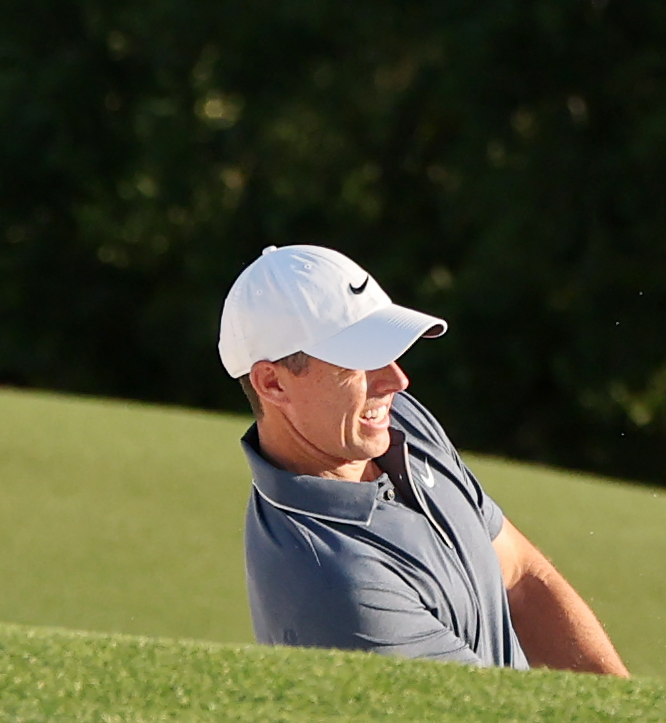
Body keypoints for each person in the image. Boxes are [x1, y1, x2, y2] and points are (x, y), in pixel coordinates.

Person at [218, 241, 627, 673]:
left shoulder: (395, 422)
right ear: (272, 383)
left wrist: (628, 714)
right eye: (359, 360)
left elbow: (521, 577)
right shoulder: (330, 582)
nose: (396, 379)